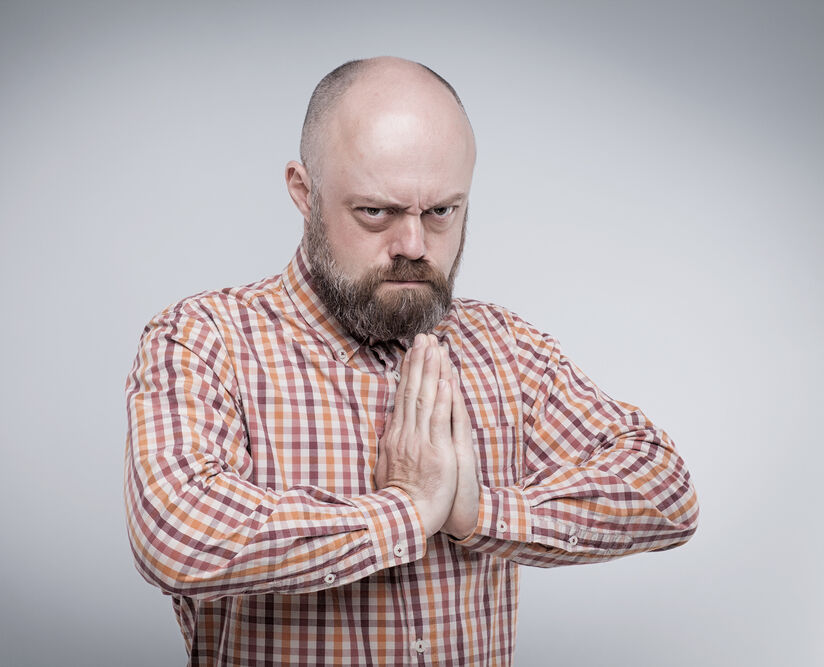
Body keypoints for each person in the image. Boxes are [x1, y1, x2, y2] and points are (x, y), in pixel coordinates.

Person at [124, 56, 698, 666]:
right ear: (303, 190)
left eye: (442, 212)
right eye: (376, 212)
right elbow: (176, 534)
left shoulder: (505, 345)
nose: (414, 247)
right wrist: (406, 512)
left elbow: (664, 490)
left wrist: (478, 512)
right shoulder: (206, 338)